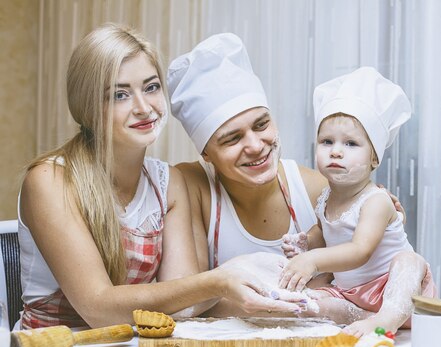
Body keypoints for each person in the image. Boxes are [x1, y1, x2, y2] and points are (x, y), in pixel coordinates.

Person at [17, 24, 301, 329]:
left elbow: (183, 305)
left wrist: (253, 277)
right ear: (87, 107)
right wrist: (219, 280)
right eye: (120, 95)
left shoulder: (168, 184)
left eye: (151, 87)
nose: (144, 108)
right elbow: (97, 308)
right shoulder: (51, 180)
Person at [169, 33, 425, 324]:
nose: (255, 145)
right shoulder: (192, 186)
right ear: (206, 153)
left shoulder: (317, 189)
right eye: (232, 139)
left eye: (262, 124)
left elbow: (364, 254)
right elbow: (186, 304)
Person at [278, 67, 437, 337]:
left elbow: (360, 250)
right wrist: (306, 243)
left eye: (351, 144)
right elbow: (324, 232)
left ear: (374, 159)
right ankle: (360, 316)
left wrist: (313, 260)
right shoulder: (325, 198)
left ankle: (387, 319)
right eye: (326, 141)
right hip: (351, 293)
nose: (336, 151)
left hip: (395, 290)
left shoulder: (376, 201)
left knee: (409, 260)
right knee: (314, 300)